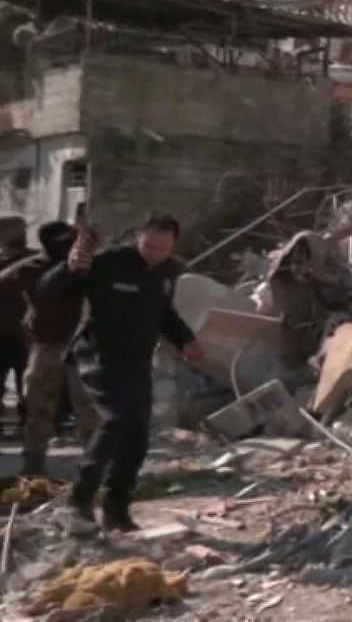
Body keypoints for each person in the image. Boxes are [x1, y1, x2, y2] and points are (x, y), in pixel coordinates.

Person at [40, 214, 203, 531]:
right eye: (150, 245)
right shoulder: (107, 263)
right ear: (138, 235)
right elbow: (49, 290)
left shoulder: (167, 272)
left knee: (137, 437)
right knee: (117, 421)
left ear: (173, 245)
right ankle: (79, 501)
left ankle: (117, 512)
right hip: (99, 358)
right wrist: (69, 268)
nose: (154, 253)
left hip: (137, 364)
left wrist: (186, 340)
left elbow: (164, 313)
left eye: (163, 248)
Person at [4, 222, 98, 475]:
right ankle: (33, 465)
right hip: (46, 346)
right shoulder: (28, 269)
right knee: (38, 407)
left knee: (88, 408)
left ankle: (95, 465)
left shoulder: (89, 267)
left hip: (83, 347)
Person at [0, 217, 30, 441]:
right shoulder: (37, 261)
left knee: (27, 387)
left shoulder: (34, 262)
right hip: (16, 335)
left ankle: (29, 428)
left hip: (26, 336)